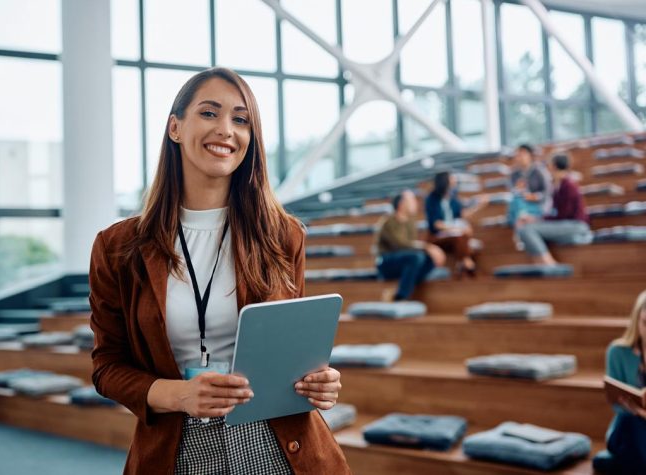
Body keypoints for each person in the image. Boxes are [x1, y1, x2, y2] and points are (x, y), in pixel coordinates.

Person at [89, 67, 349, 474]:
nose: (226, 130)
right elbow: (107, 367)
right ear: (175, 128)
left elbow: (292, 350)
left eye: (241, 119)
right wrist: (179, 394)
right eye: (209, 113)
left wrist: (320, 381)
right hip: (178, 450)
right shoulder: (118, 246)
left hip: (279, 447)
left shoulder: (283, 235)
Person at [516, 154, 591, 265]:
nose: (547, 167)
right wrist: (536, 219)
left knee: (527, 230)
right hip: (566, 224)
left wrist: (537, 219)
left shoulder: (569, 185)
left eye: (549, 164)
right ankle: (540, 264)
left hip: (576, 225)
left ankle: (549, 264)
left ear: (554, 166)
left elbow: (564, 215)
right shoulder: (558, 185)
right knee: (527, 229)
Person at [375, 189, 445, 301]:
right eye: (411, 200)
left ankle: (406, 287)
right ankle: (401, 297)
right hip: (386, 262)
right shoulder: (388, 222)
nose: (415, 203)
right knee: (416, 257)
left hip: (404, 261)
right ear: (401, 204)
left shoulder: (410, 222)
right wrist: (428, 247)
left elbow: (411, 245)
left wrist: (429, 251)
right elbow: (401, 244)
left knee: (429, 259)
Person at [605, 290, 646, 470]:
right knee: (629, 422)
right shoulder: (617, 352)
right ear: (636, 321)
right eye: (645, 323)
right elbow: (615, 402)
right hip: (628, 425)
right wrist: (638, 411)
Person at [424, 171, 487, 277]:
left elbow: (461, 214)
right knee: (461, 238)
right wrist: (456, 229)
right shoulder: (432, 199)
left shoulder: (453, 198)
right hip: (438, 236)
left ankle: (461, 266)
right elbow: (436, 224)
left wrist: (478, 206)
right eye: (452, 179)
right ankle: (468, 264)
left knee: (473, 245)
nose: (454, 181)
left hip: (454, 234)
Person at [508, 144, 552, 218]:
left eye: (523, 154)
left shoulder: (540, 171)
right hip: (521, 204)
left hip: (539, 205)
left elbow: (548, 192)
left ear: (530, 155)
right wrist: (518, 190)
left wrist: (536, 197)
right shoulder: (514, 174)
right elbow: (512, 192)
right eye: (518, 155)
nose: (520, 157)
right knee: (516, 202)